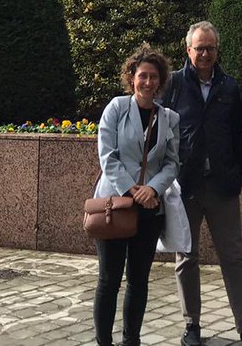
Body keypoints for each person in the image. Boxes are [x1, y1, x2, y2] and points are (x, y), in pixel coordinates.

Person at [163, 21, 242, 346]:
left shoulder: (229, 87)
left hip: (223, 187)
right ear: (188, 50)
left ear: (217, 49)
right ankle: (191, 326)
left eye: (210, 48)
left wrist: (237, 175)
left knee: (234, 258)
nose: (205, 53)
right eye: (200, 48)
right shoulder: (174, 85)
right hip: (186, 187)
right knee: (186, 258)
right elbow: (162, 134)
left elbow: (239, 137)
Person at [93, 47, 181, 346]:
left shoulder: (169, 117)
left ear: (161, 81)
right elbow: (107, 155)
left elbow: (172, 162)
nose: (147, 82)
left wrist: (153, 189)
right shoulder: (116, 108)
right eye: (142, 75)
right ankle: (104, 341)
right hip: (115, 205)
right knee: (108, 280)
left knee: (139, 281)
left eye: (153, 77)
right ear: (132, 78)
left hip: (149, 209)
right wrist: (133, 190)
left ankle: (132, 340)